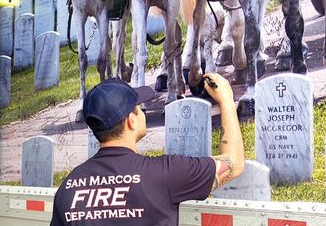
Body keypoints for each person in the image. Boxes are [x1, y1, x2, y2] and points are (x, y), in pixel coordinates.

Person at [50, 73, 244, 225]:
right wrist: (226, 101)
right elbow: (234, 163)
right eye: (139, 107)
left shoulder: (68, 187)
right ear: (131, 120)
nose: (143, 112)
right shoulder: (165, 173)